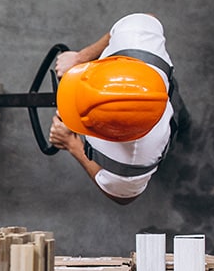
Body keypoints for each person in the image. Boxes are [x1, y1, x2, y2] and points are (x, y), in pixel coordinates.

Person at [49, 13, 189, 205]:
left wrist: (72, 145)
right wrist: (80, 58)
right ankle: (185, 124)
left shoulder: (132, 161)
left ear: (112, 136)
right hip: (162, 90)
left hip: (156, 139)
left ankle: (184, 126)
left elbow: (123, 198)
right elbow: (143, 19)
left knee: (180, 119)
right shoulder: (136, 39)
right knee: (178, 109)